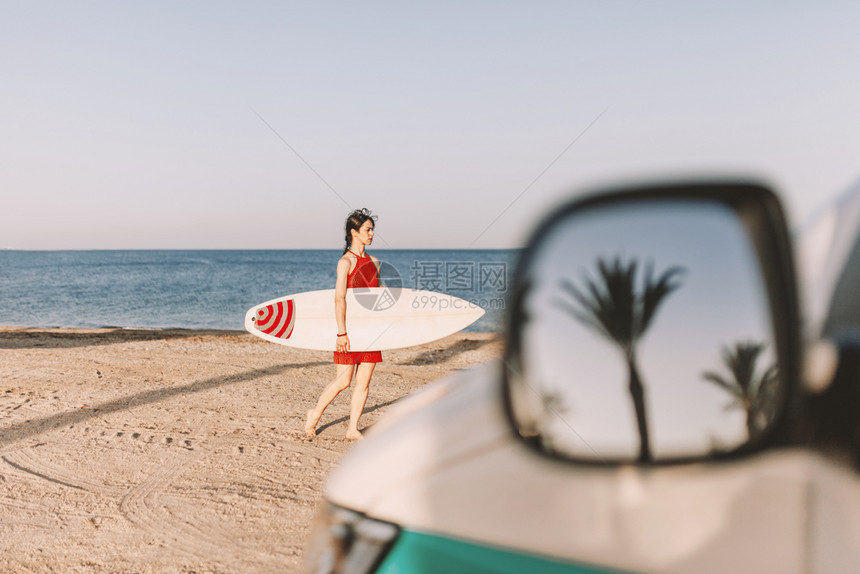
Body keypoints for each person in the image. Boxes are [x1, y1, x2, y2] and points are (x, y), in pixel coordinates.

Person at [305, 208, 382, 440]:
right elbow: (339, 298)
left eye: (372, 230)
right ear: (354, 232)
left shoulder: (375, 261)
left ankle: (352, 428)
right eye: (367, 230)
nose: (371, 234)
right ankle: (314, 414)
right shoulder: (345, 262)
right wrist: (342, 333)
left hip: (370, 330)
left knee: (364, 382)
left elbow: (375, 298)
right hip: (348, 330)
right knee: (343, 381)